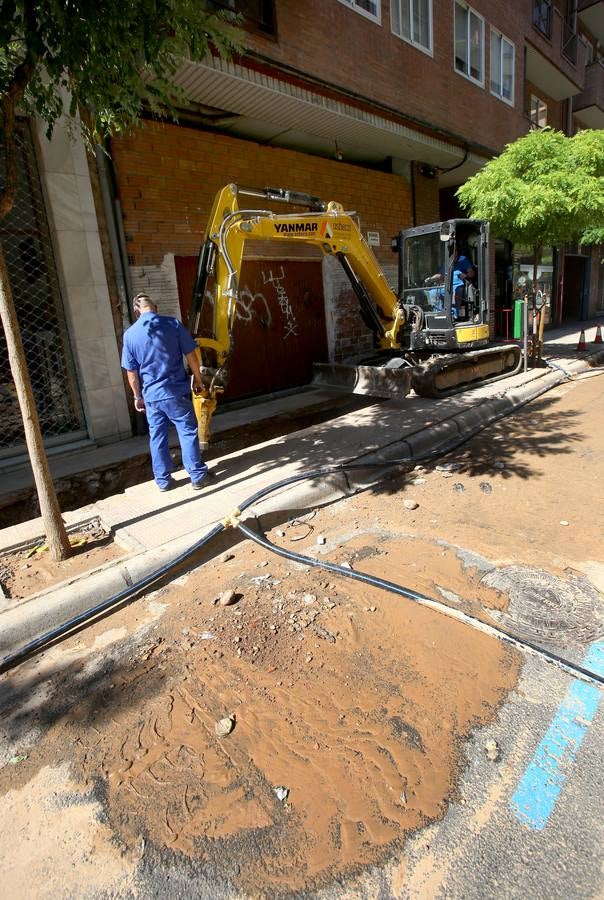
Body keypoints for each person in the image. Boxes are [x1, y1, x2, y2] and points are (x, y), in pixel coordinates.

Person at [121, 292, 211, 492]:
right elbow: (192, 356)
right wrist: (198, 379)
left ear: (137, 312)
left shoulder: (129, 335)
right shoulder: (173, 324)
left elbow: (131, 373)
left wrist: (137, 396)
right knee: (187, 432)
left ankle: (163, 481)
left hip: (152, 397)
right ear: (155, 308)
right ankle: (197, 476)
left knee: (157, 436)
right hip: (175, 392)